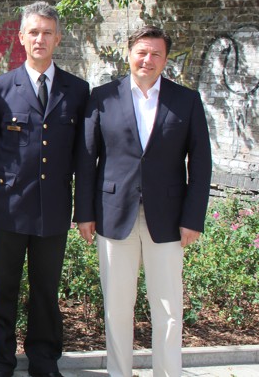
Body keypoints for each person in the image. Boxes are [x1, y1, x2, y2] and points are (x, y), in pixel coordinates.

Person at [74, 25, 212, 377]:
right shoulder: (102, 97)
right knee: (117, 308)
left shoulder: (186, 101)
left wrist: (193, 217)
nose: (147, 60)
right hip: (112, 215)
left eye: (156, 54)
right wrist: (84, 213)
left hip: (167, 218)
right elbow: (87, 159)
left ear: (165, 60)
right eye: (142, 52)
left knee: (168, 309)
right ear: (129, 53)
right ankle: (120, 373)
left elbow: (200, 163)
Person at [0, 1, 89, 377]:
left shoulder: (77, 90)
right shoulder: (0, 88)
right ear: (21, 37)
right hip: (8, 206)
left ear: (58, 38)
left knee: (45, 291)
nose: (40, 39)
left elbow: (80, 152)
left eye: (47, 32)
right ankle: (1, 362)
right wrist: (12, 182)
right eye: (33, 32)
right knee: (4, 289)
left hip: (53, 206)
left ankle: (43, 360)